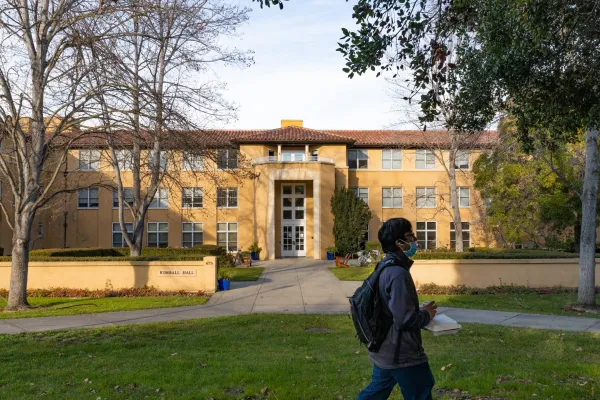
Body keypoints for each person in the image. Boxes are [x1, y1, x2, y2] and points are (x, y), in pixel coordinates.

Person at [357, 218, 438, 400]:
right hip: (402, 353)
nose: (414, 241)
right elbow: (404, 320)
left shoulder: (385, 266)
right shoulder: (398, 274)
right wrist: (426, 314)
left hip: (385, 348)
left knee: (375, 392)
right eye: (410, 236)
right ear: (398, 243)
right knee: (421, 392)